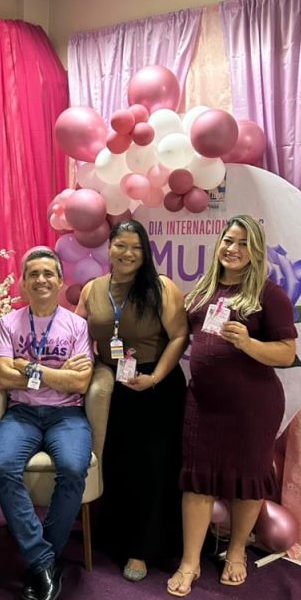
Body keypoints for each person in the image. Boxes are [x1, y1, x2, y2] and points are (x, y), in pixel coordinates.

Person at [167, 215, 297, 598]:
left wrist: (247, 343)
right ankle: (190, 561)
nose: (233, 249)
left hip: (253, 407)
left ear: (255, 252)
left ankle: (237, 551)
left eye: (243, 244)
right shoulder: (201, 291)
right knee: (198, 481)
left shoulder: (269, 295)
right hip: (203, 404)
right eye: (228, 240)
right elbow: (179, 336)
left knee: (248, 481)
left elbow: (287, 353)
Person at [76, 220, 188, 581]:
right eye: (120, 245)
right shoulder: (93, 289)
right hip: (112, 386)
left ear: (145, 252)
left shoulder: (162, 288)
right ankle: (115, 537)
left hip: (155, 386)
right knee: (116, 461)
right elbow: (75, 333)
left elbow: (179, 336)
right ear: (109, 247)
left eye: (136, 247)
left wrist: (154, 377)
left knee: (151, 468)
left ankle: (143, 548)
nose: (127, 253)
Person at [0, 248, 94, 600]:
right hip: (22, 413)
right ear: (23, 282)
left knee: (73, 468)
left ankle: (41, 558)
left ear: (61, 281)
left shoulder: (77, 325)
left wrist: (28, 367)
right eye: (33, 274)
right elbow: (3, 377)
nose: (41, 280)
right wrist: (57, 375)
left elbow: (80, 383)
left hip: (67, 415)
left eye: (49, 273)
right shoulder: (8, 323)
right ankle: (44, 561)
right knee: (3, 465)